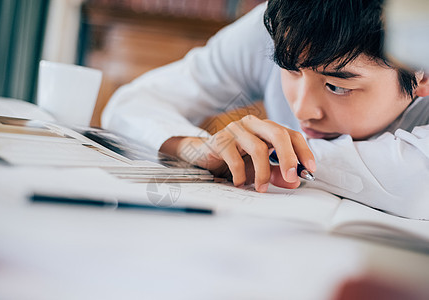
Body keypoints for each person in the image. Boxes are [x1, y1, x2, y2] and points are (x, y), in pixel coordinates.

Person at [102, 0, 429, 219]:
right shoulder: (281, 25)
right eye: (288, 70)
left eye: (338, 86)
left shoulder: (417, 39)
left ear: (422, 75)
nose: (302, 109)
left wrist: (276, 157)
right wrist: (198, 149)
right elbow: (132, 102)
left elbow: (419, 183)